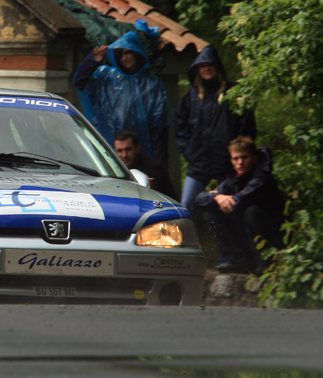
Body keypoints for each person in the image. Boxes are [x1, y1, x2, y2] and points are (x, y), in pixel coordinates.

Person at [175, 45, 256, 217]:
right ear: (197, 69)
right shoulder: (191, 97)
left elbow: (247, 127)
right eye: (202, 65)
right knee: (186, 206)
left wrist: (238, 155)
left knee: (231, 206)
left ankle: (229, 235)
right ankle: (190, 235)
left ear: (217, 67)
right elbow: (180, 127)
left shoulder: (233, 93)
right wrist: (190, 152)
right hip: (199, 163)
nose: (206, 68)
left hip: (228, 165)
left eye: (210, 64)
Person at [75, 30, 170, 169]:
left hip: (142, 150)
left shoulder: (151, 83)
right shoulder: (107, 77)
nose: (124, 58)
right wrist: (91, 61)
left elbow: (159, 125)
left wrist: (158, 165)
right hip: (111, 146)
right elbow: (80, 81)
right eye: (121, 55)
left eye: (128, 53)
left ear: (137, 53)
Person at [194, 136, 285, 274]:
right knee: (210, 212)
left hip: (272, 235)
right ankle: (234, 259)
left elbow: (245, 197)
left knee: (252, 212)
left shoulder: (262, 177)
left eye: (244, 157)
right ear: (231, 161)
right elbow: (199, 200)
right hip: (245, 236)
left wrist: (223, 199)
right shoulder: (233, 179)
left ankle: (266, 261)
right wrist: (217, 197)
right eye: (236, 159)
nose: (240, 162)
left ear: (254, 158)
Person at [113, 130, 178, 200]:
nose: (124, 155)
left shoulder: (154, 170)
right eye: (119, 151)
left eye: (128, 149)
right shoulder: (111, 170)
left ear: (137, 148)